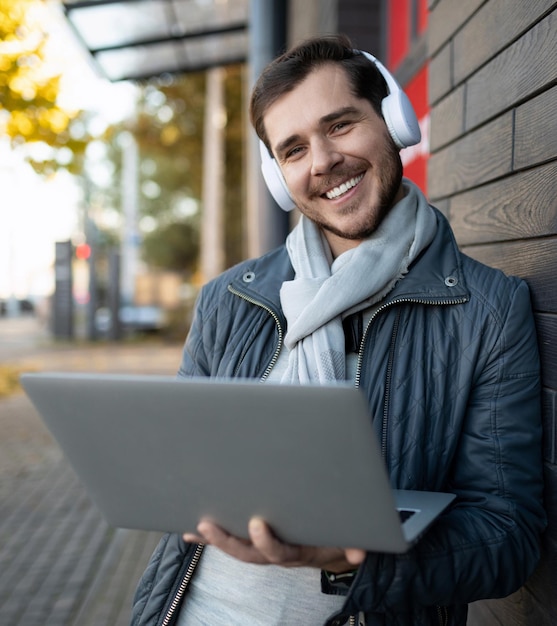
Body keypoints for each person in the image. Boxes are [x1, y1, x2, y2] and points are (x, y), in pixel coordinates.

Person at [130, 34, 546, 626]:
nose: (321, 161)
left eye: (341, 125)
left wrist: (353, 559)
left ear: (394, 122)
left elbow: (506, 535)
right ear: (280, 177)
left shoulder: (488, 310)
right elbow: (185, 469)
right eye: (293, 149)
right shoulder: (228, 298)